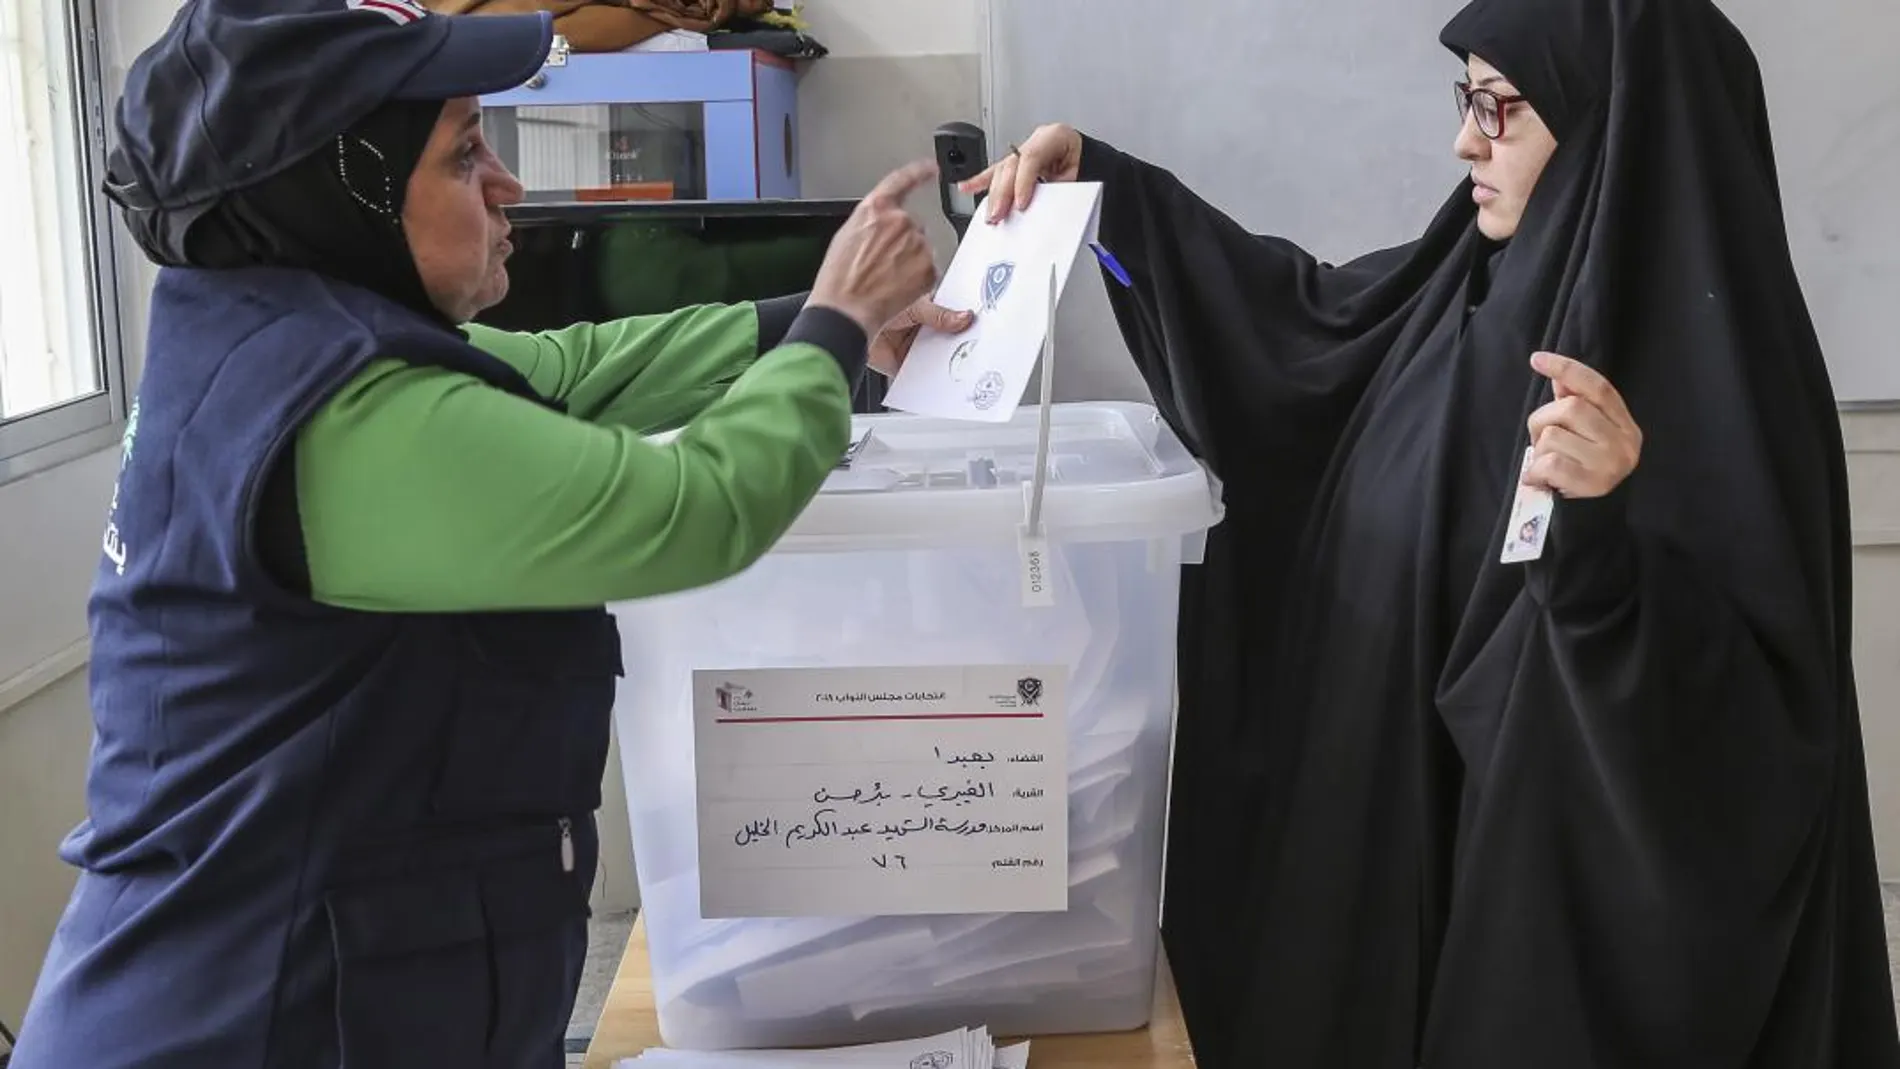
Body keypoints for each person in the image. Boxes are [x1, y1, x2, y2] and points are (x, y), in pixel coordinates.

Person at [8, 2, 969, 1067]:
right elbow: (696, 508)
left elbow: (571, 369)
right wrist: (836, 328)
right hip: (256, 1020)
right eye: (466, 151)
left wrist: (804, 321)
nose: (510, 184)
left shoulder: (262, 338)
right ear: (344, 191)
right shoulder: (343, 421)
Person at [959, 0, 1900, 1065]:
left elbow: (1754, 745)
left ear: (1610, 123)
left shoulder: (1727, 386)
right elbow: (1304, 341)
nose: (1465, 140)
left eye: (1501, 108)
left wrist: (1598, 555)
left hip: (1544, 952)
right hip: (1387, 877)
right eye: (1467, 100)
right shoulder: (1464, 285)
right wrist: (1109, 197)